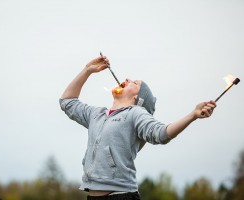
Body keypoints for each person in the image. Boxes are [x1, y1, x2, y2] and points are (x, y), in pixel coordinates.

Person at [59, 55, 216, 200]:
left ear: (137, 99)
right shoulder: (97, 114)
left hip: (121, 196)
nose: (128, 79)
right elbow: (67, 102)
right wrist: (87, 71)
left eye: (135, 83)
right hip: (92, 196)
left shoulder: (135, 113)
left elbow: (161, 134)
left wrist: (192, 115)